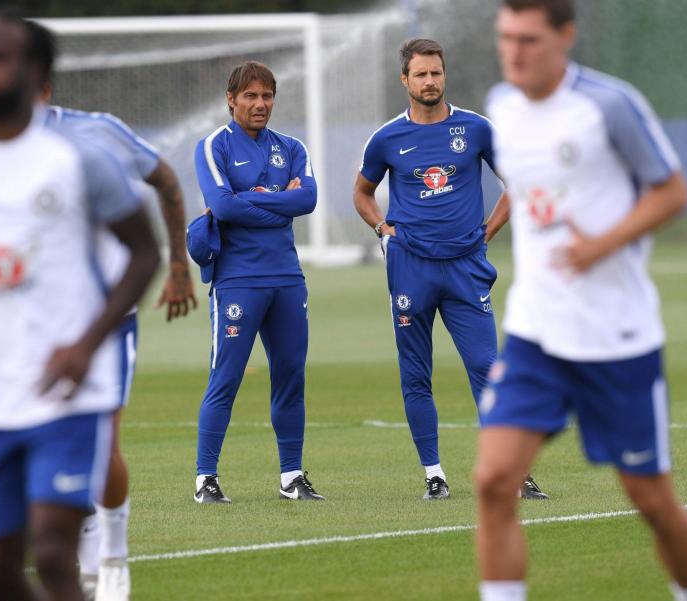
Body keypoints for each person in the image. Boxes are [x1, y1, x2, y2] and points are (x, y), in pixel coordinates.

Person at [0, 11, 159, 601]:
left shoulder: (78, 158)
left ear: (34, 71)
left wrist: (86, 346)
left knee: (52, 551)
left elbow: (144, 253)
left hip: (70, 391)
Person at [476, 1, 687, 600]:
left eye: (528, 39)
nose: (514, 52)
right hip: (535, 333)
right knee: (494, 479)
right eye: (506, 38)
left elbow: (673, 191)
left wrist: (602, 245)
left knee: (650, 499)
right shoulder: (503, 106)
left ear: (565, 36)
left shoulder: (609, 105)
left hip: (616, 337)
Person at [353, 39, 546, 501]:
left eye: (436, 72)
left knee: (487, 366)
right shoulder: (386, 138)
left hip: (464, 267)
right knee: (416, 373)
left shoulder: (476, 129)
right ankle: (434, 474)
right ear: (405, 80)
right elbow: (361, 193)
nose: (429, 81)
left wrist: (487, 233)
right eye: (420, 74)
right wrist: (382, 228)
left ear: (445, 75)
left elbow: (517, 184)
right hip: (411, 267)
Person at [41, 91, 196, 599]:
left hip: (109, 316)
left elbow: (165, 180)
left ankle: (112, 554)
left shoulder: (99, 131)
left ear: (41, 84)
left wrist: (178, 266)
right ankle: (76, 554)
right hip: (34, 323)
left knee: (101, 438)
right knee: (43, 441)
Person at [193, 61, 323, 503]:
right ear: (231, 100)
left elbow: (308, 199)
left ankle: (292, 477)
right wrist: (273, 199)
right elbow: (222, 208)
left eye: (266, 95)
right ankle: (205, 479)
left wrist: (250, 198)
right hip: (237, 280)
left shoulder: (291, 146)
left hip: (287, 278)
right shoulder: (213, 146)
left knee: (291, 376)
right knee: (225, 378)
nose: (260, 104)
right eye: (250, 96)